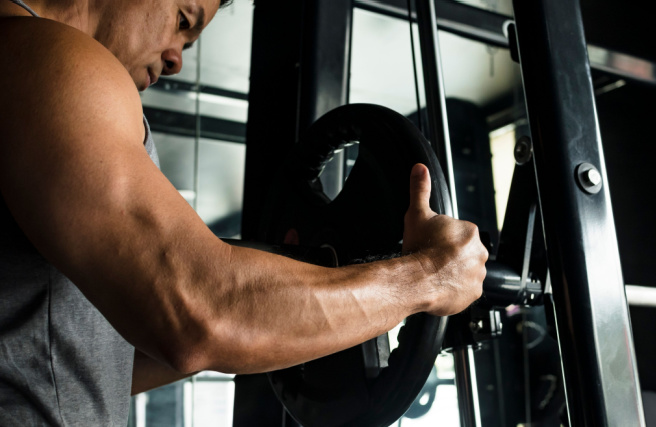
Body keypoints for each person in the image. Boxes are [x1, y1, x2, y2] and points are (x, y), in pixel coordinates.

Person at [0, 0, 488, 424]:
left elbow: (88, 356)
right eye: (182, 20)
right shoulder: (43, 57)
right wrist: (427, 279)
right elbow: (198, 311)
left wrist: (293, 320)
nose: (174, 59)